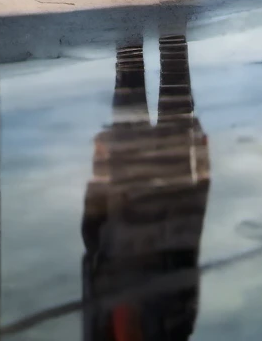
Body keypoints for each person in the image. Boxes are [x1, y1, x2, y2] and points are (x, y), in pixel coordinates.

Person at [80, 35, 211, 340]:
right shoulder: (174, 331)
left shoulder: (98, 333)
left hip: (126, 204)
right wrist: (202, 170)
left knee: (130, 70)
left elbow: (92, 255)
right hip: (169, 195)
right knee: (173, 63)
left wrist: (98, 179)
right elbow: (189, 251)